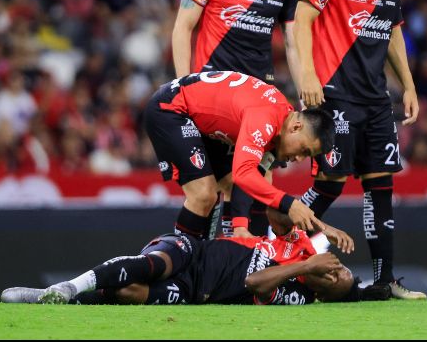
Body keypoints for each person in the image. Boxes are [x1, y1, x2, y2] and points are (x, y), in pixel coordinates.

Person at [293, 0, 426, 300]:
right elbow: (302, 19)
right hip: (335, 94)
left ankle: (386, 283)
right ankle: (272, 234)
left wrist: (409, 86)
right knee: (330, 185)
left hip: (375, 100)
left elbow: (393, 33)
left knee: (380, 187)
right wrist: (308, 76)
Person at [171, 0, 302, 237]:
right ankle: (199, 259)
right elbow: (183, 26)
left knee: (259, 179)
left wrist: (305, 93)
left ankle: (245, 265)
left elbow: (292, 44)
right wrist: (183, 82)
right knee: (211, 188)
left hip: (257, 98)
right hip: (213, 95)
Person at [1, 207, 366, 305]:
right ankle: (68, 288)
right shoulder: (299, 244)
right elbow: (276, 212)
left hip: (196, 292)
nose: (335, 271)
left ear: (323, 295)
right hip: (197, 251)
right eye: (341, 269)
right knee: (153, 266)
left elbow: (252, 282)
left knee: (134, 294)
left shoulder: (297, 295)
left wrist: (303, 267)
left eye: (337, 281)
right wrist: (319, 226)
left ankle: (63, 302)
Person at [145, 70, 339, 241]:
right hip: (171, 108)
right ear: (297, 127)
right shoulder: (266, 119)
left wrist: (240, 227)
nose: (298, 159)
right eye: (304, 150)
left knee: (230, 182)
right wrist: (289, 204)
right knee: (203, 194)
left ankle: (227, 246)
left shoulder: (280, 122)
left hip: (196, 115)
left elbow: (247, 176)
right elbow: (244, 173)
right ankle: (178, 261)